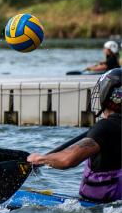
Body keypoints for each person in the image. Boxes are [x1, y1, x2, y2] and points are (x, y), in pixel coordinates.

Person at [27, 68, 122, 203]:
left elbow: (68, 160)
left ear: (106, 94)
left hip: (100, 209)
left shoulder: (104, 128)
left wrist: (41, 158)